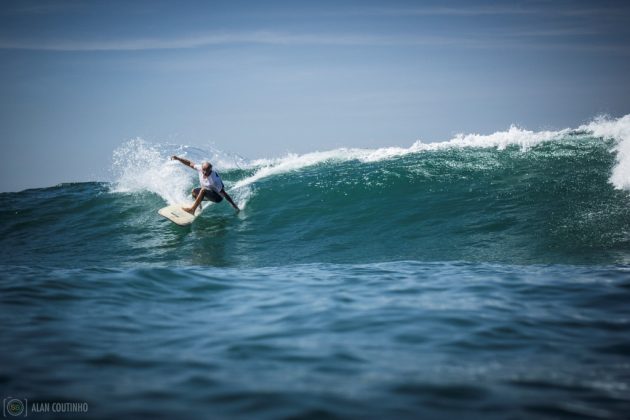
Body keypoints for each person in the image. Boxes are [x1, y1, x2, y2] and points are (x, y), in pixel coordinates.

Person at [171, 155, 240, 214]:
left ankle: (192, 210)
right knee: (194, 192)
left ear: (210, 170)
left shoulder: (214, 180)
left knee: (203, 190)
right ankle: (199, 208)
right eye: (203, 170)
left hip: (217, 197)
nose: (204, 173)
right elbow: (189, 163)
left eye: (206, 171)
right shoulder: (200, 168)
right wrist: (178, 158)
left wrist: (234, 205)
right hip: (208, 192)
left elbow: (224, 194)